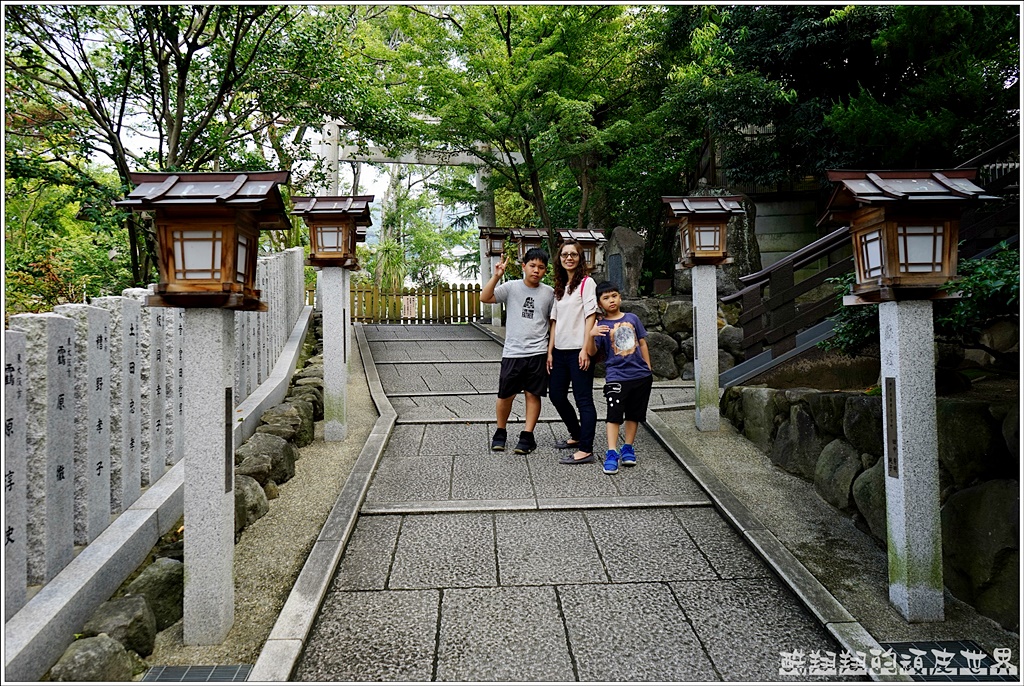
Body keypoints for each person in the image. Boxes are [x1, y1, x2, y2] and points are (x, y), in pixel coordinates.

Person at [481, 248, 555, 454]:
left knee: (533, 394)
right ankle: (500, 431)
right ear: (523, 266)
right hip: (513, 351)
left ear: (545, 270)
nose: (536, 270)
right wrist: (496, 276)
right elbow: (485, 298)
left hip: (538, 351)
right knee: (506, 395)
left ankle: (527, 435)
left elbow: (552, 323)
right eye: (532, 266)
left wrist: (550, 351)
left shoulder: (549, 293)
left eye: (541, 267)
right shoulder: (511, 287)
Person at [586, 281, 653, 475]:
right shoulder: (602, 325)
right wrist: (591, 335)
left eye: (614, 296)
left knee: (635, 414)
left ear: (620, 297)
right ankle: (612, 452)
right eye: (606, 298)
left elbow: (642, 343)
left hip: (640, 375)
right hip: (616, 376)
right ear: (600, 303)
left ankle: (628, 448)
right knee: (614, 414)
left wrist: (648, 368)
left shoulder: (632, 318)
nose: (611, 300)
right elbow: (592, 352)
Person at [547, 239, 599, 464]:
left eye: (573, 254)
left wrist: (586, 348)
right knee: (556, 395)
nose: (569, 257)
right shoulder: (560, 287)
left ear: (580, 258)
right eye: (564, 254)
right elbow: (554, 321)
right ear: (559, 259)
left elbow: (591, 316)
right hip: (559, 351)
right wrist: (550, 351)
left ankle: (586, 449)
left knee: (583, 400)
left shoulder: (587, 283)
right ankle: (576, 434)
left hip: (579, 350)